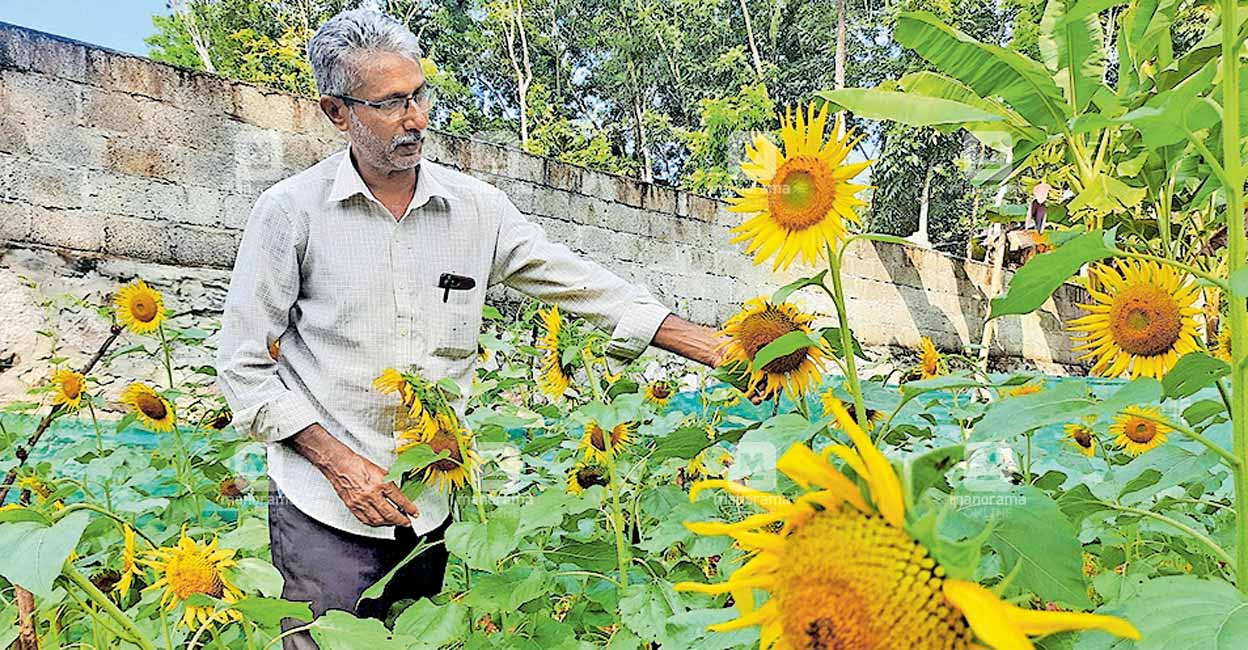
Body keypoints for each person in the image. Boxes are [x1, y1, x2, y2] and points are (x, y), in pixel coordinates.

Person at [215, 8, 723, 649]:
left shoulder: (476, 210)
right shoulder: (290, 212)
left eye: (419, 94)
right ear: (337, 113)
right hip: (325, 514)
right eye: (390, 103)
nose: (416, 119)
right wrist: (339, 463)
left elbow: (577, 279)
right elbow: (241, 364)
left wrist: (705, 343)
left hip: (430, 506)